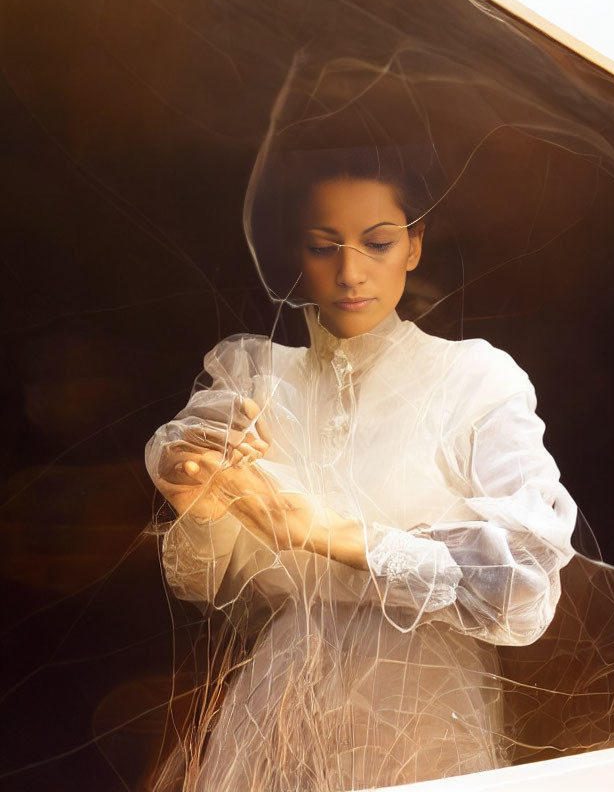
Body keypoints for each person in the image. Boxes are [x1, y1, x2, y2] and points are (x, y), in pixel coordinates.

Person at [144, 151, 581, 791]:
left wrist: (330, 533)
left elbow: (523, 584)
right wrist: (201, 505)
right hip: (274, 712)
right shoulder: (258, 379)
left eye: (378, 242)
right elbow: (206, 583)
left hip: (421, 717)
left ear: (414, 245)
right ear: (297, 252)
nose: (350, 273)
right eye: (324, 247)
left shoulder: (475, 380)